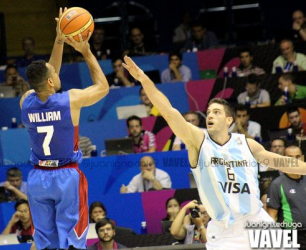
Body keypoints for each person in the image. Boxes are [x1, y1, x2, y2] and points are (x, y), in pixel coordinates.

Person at [122, 55, 306, 249]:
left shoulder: (247, 144)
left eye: (216, 112)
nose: (210, 115)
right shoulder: (198, 142)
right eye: (208, 112)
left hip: (257, 221)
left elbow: (283, 162)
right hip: (225, 230)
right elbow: (168, 111)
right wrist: (144, 79)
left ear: (229, 120)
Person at [20, 7, 109, 250]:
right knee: (72, 240)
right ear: (50, 81)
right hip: (66, 176)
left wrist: (59, 39)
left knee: (45, 244)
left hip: (37, 178)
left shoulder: (26, 100)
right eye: (54, 74)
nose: (57, 73)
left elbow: (48, 73)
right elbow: (103, 87)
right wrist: (87, 52)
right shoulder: (70, 100)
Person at [267, 145, 306, 248]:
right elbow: (272, 216)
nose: (295, 160)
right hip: (291, 235)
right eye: (290, 157)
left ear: (303, 158)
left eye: (298, 157)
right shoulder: (277, 184)